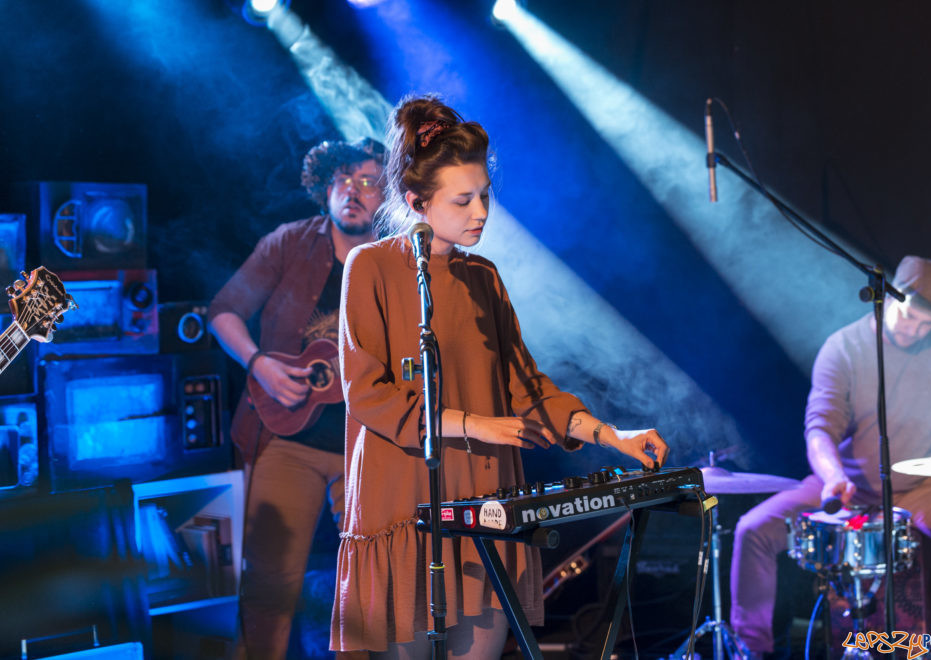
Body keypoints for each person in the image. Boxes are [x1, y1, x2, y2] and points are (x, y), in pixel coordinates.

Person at [328, 95, 670, 658]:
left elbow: (527, 387)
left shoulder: (484, 276)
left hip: (483, 500)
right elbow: (367, 394)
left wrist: (614, 436)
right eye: (462, 201)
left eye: (483, 196)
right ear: (416, 201)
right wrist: (471, 424)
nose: (480, 212)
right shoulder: (370, 268)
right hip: (402, 504)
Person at [730, 255, 931, 656]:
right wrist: (834, 475)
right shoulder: (843, 347)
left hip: (923, 487)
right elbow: (820, 429)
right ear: (887, 299)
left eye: (927, 324)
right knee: (753, 530)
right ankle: (750, 648)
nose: (916, 330)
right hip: (845, 484)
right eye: (909, 317)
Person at [208, 136, 386, 659]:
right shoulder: (288, 242)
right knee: (270, 585)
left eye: (368, 182)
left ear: (388, 194)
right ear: (324, 186)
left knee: (374, 583)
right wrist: (258, 365)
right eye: (342, 180)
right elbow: (223, 312)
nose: (352, 192)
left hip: (367, 446)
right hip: (287, 438)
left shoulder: (399, 260)